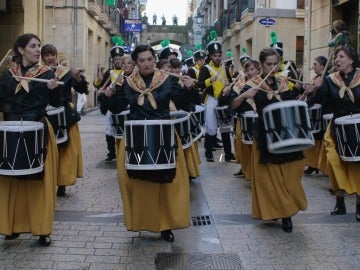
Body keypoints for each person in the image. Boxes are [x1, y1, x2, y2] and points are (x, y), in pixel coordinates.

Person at [107, 44, 198, 242]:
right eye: (142, 60)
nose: (147, 63)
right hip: (135, 137)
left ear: (154, 60)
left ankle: (166, 226)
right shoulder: (128, 83)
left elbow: (183, 103)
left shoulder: (167, 80)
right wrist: (109, 96)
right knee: (137, 184)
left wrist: (190, 88)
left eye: (150, 59)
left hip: (163, 136)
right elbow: (116, 108)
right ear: (136, 63)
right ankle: (141, 221)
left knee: (167, 186)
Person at [230, 47, 307, 233]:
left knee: (291, 175)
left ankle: (286, 207)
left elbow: (292, 101)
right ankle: (285, 214)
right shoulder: (253, 84)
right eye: (268, 64)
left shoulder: (284, 82)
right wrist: (244, 96)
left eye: (275, 64)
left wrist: (304, 92)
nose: (273, 68)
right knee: (271, 179)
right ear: (261, 65)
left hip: (287, 132)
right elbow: (231, 105)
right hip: (265, 135)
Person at [0, 33, 61, 246]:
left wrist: (53, 90)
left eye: (39, 46)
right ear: (20, 50)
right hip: (11, 132)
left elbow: (57, 101)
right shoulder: (8, 75)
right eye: (33, 46)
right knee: (11, 184)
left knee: (39, 185)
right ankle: (12, 227)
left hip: (37, 130)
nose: (38, 50)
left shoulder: (47, 74)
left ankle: (42, 230)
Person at [303, 45, 360, 221]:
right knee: (335, 164)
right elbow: (320, 102)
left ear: (351, 59)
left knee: (358, 168)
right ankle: (339, 202)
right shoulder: (329, 80)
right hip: (336, 128)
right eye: (335, 57)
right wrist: (315, 90)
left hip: (358, 127)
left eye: (341, 56)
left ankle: (359, 205)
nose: (337, 60)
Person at [41, 44, 89, 197]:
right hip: (46, 116)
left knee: (64, 150)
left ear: (56, 56)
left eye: (52, 54)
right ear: (42, 57)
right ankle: (48, 180)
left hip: (65, 117)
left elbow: (82, 89)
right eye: (46, 55)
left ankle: (62, 183)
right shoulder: (39, 73)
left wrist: (78, 77)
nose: (49, 58)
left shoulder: (66, 73)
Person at [198, 40, 235, 162]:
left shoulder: (224, 68)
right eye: (215, 56)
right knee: (212, 128)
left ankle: (228, 154)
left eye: (219, 55)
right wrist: (210, 81)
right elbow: (200, 85)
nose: (218, 58)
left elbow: (230, 84)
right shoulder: (205, 68)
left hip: (223, 100)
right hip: (212, 99)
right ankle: (209, 152)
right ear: (210, 56)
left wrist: (229, 86)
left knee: (225, 128)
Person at [94, 45, 125, 161]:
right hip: (112, 105)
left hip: (124, 105)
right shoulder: (109, 73)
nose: (117, 61)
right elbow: (99, 84)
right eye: (115, 59)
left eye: (119, 59)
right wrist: (101, 87)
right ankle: (111, 152)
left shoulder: (127, 71)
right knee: (109, 129)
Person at [302, 56, 329, 175]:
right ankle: (313, 164)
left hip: (323, 114)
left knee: (319, 140)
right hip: (316, 113)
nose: (313, 66)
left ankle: (319, 165)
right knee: (314, 139)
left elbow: (323, 97)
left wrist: (314, 90)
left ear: (323, 66)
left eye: (315, 64)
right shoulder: (317, 78)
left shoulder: (326, 79)